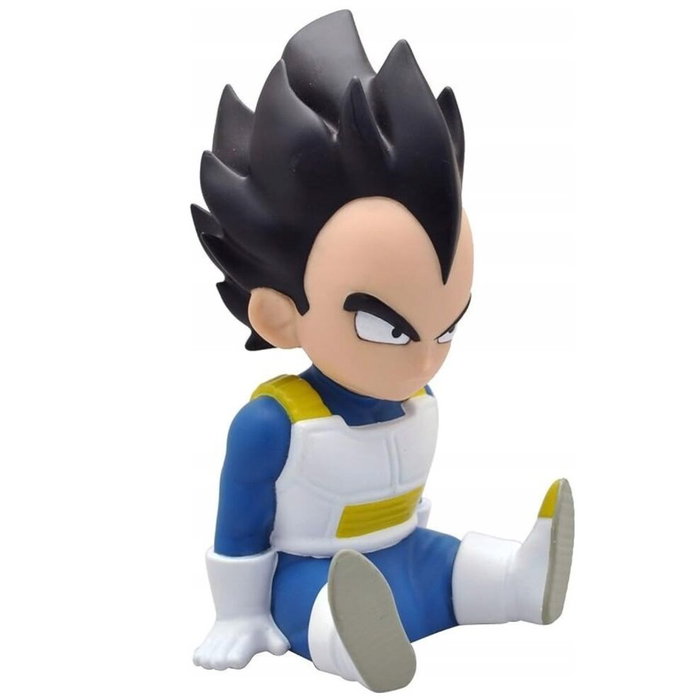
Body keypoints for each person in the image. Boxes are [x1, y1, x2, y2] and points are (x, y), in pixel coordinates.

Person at [191, 10, 574, 692]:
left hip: (403, 550)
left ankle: (516, 581)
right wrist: (238, 614)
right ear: (280, 316)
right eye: (389, 329)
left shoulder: (418, 399)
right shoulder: (272, 425)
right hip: (311, 570)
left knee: (447, 566)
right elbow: (240, 524)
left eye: (447, 327)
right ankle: (350, 638)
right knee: (313, 608)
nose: (425, 358)